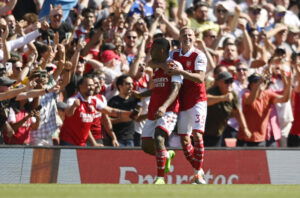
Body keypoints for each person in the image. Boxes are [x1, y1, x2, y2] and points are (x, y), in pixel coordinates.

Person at [139, 38, 183, 184]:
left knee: (159, 138)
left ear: (162, 50)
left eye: (152, 49)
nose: (150, 52)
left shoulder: (173, 65)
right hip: (153, 111)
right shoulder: (157, 68)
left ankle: (160, 178)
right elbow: (157, 89)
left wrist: (164, 107)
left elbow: (175, 89)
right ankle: (167, 154)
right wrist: (141, 94)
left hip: (168, 110)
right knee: (146, 146)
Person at [168, 27, 207, 184]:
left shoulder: (199, 55)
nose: (187, 37)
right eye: (184, 35)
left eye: (190, 35)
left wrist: (181, 72)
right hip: (183, 101)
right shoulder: (173, 54)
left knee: (197, 135)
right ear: (179, 38)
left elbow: (200, 78)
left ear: (195, 37)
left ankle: (197, 173)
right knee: (185, 141)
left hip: (198, 100)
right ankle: (199, 169)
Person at [59, 75, 131, 146]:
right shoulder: (73, 99)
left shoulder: (94, 101)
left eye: (93, 85)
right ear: (80, 86)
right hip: (68, 142)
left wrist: (130, 113)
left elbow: (111, 111)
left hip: (82, 143)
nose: (92, 88)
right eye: (89, 85)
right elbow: (68, 114)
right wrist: (74, 106)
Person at [237, 72, 292, 146]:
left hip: (261, 139)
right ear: (250, 85)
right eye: (256, 81)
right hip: (245, 139)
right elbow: (250, 100)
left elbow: (284, 99)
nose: (261, 83)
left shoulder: (268, 94)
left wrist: (288, 84)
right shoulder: (246, 95)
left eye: (262, 81)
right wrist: (259, 82)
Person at [205, 71, 251, 147]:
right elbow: (205, 100)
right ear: (219, 82)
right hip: (205, 133)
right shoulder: (212, 91)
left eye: (231, 81)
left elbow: (238, 113)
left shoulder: (233, 94)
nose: (229, 84)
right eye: (227, 81)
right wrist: (222, 98)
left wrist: (245, 129)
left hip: (219, 133)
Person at [108, 75, 140, 147]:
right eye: (128, 84)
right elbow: (106, 120)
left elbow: (138, 115)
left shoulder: (135, 100)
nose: (131, 86)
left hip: (131, 138)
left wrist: (140, 96)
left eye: (132, 84)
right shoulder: (113, 101)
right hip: (117, 139)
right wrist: (121, 119)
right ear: (120, 86)